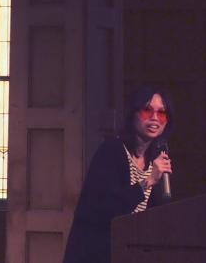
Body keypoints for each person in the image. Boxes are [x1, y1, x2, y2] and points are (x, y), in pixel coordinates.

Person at [63, 85, 175, 263]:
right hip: (97, 253)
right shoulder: (112, 151)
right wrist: (148, 181)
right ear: (133, 114)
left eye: (161, 113)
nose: (155, 118)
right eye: (147, 111)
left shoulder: (157, 159)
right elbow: (105, 210)